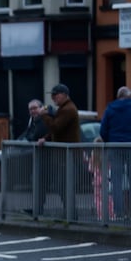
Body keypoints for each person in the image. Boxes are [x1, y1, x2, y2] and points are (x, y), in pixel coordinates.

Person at [37, 84, 80, 217]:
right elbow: (56, 129)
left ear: (65, 94)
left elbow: (56, 127)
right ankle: (69, 212)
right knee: (62, 185)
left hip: (66, 155)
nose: (53, 97)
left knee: (64, 185)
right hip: (63, 155)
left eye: (56, 94)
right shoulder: (64, 108)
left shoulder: (68, 109)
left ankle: (71, 213)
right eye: (52, 95)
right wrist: (45, 138)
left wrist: (44, 115)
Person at [99, 86, 131, 219]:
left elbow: (103, 130)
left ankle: (119, 212)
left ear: (118, 96)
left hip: (115, 146)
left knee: (116, 180)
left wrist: (109, 141)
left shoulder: (110, 109)